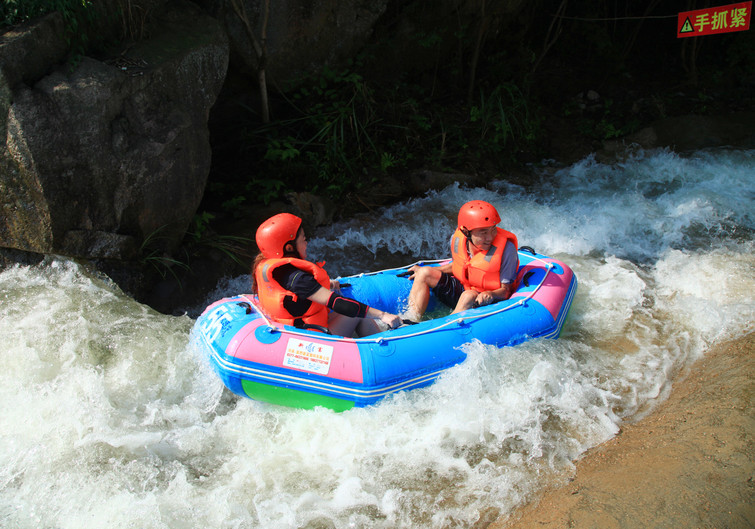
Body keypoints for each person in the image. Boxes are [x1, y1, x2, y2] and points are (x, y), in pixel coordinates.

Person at [252, 212, 402, 336]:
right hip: (308, 338)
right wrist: (383, 315)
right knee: (358, 314)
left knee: (360, 313)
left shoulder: (270, 268)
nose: (307, 243)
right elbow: (337, 303)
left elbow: (291, 294)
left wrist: (325, 284)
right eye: (303, 239)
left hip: (292, 330)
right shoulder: (298, 279)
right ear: (290, 248)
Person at [404, 200, 519, 321]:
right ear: (465, 231)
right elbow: (460, 266)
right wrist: (429, 270)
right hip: (464, 288)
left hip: (484, 299)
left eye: (493, 229)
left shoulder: (507, 249)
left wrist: (491, 295)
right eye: (483, 232)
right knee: (424, 273)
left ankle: (443, 328)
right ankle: (410, 321)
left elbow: (506, 290)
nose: (490, 237)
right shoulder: (458, 239)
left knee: (468, 295)